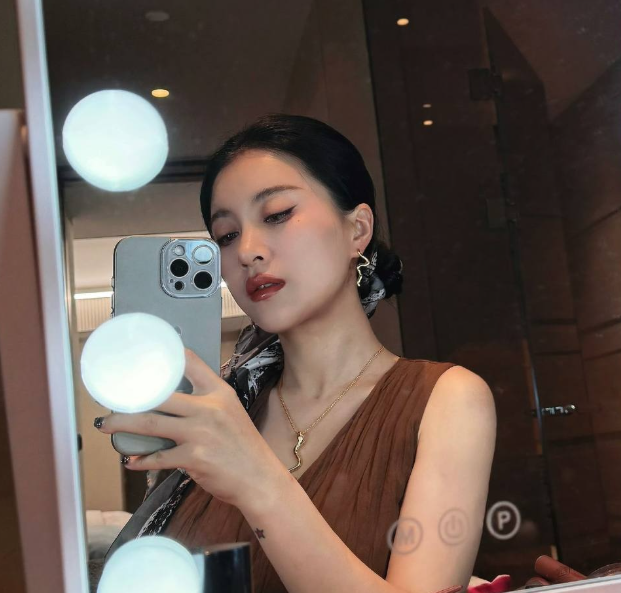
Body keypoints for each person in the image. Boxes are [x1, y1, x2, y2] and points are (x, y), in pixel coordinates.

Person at [97, 114, 497, 593]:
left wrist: (256, 479)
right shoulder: (224, 413)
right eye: (226, 236)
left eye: (277, 214)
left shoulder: (448, 400)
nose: (247, 251)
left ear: (357, 229)